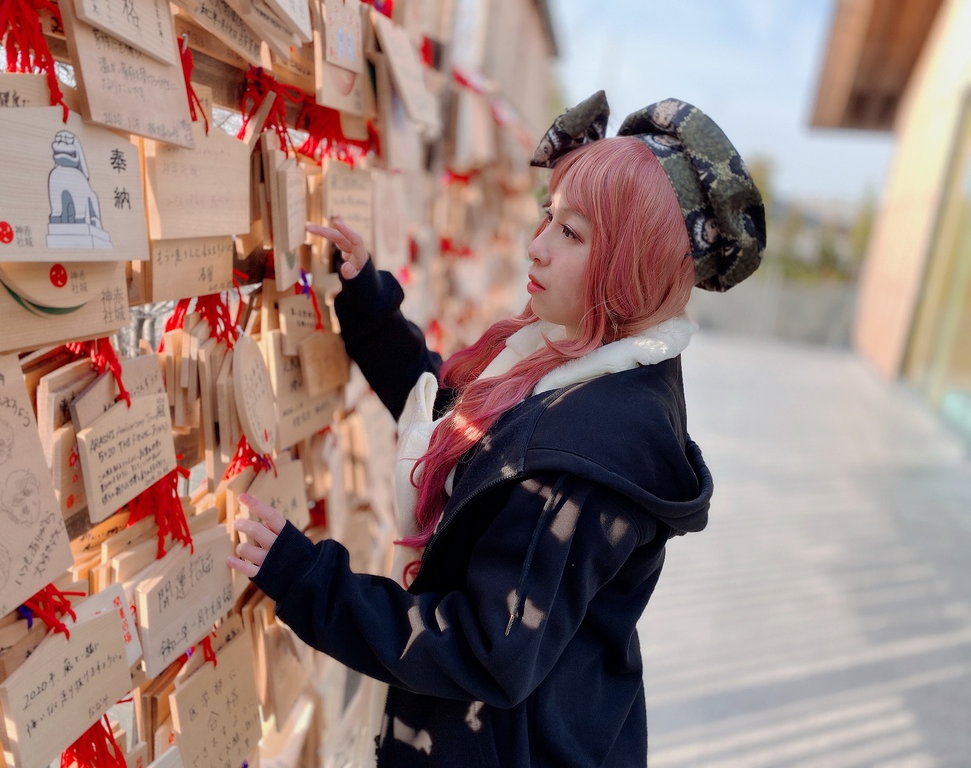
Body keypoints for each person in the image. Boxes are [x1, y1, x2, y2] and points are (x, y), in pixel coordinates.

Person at [228, 92, 765, 767]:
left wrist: (306, 578)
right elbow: (463, 424)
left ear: (633, 264)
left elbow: (486, 648)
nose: (535, 249)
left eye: (571, 233)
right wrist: (367, 307)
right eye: (547, 217)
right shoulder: (577, 362)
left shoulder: (589, 459)